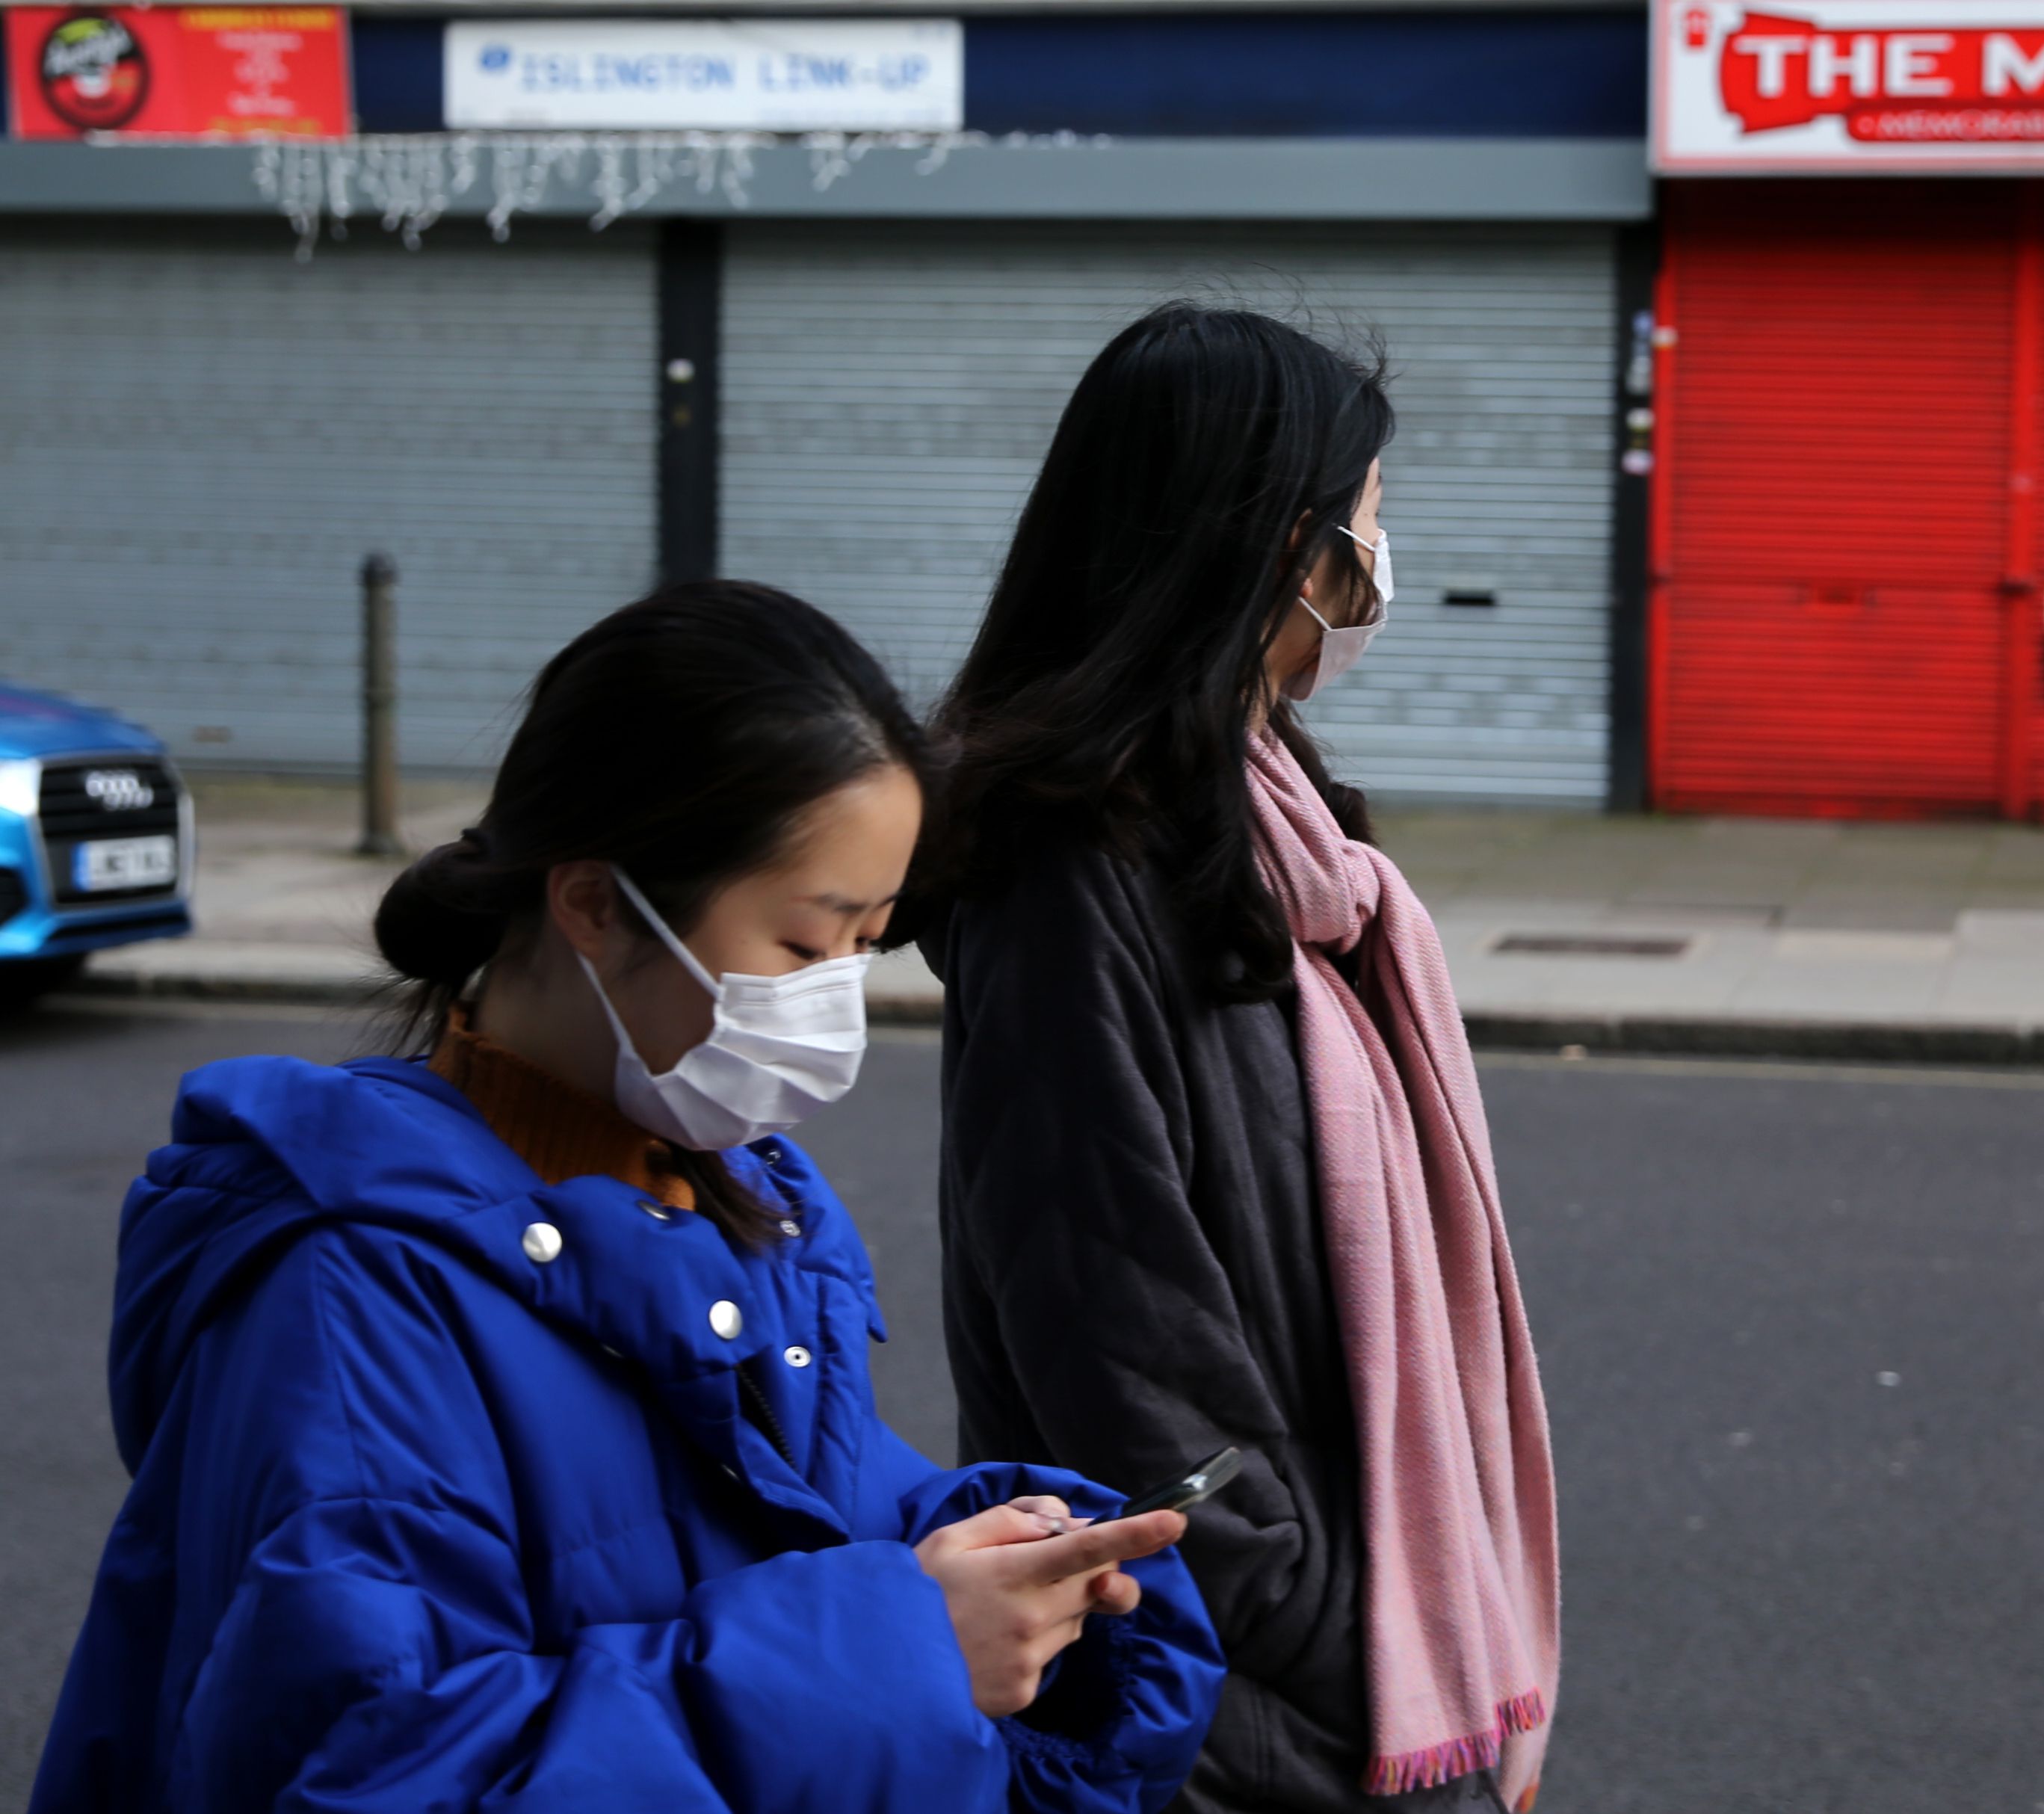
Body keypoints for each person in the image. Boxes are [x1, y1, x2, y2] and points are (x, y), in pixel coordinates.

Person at [33, 583, 1221, 1814]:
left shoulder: (733, 1197)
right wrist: (910, 1650)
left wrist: (1007, 1552)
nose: (838, 1000)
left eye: (872, 942)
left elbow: (786, 1517)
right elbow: (360, 1768)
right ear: (594, 903)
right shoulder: (352, 1293)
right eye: (806, 948)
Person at [916, 306, 1560, 1814]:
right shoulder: (1070, 871)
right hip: (1229, 1705)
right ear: (1283, 547)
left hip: (1334, 1677)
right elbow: (1116, 1347)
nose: (1378, 570)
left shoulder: (1274, 835)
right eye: (1371, 527)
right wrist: (1347, 1643)